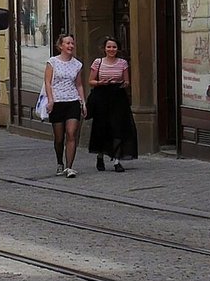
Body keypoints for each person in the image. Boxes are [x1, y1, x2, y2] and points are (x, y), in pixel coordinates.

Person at [86, 37, 138, 171]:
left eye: (114, 47)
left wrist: (124, 84)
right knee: (102, 126)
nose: (111, 49)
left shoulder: (123, 63)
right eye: (109, 47)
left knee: (118, 126)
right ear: (104, 48)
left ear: (118, 49)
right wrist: (100, 83)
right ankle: (100, 155)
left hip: (118, 96)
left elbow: (127, 81)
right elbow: (90, 81)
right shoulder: (98, 62)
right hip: (102, 95)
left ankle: (116, 160)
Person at [43, 33, 87, 177]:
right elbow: (48, 82)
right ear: (60, 46)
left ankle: (69, 167)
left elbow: (79, 85)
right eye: (67, 43)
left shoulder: (77, 64)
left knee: (71, 134)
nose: (70, 46)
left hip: (72, 101)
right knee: (59, 138)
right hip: (57, 102)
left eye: (72, 43)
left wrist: (83, 102)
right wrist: (50, 100)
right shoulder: (52, 62)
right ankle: (59, 162)